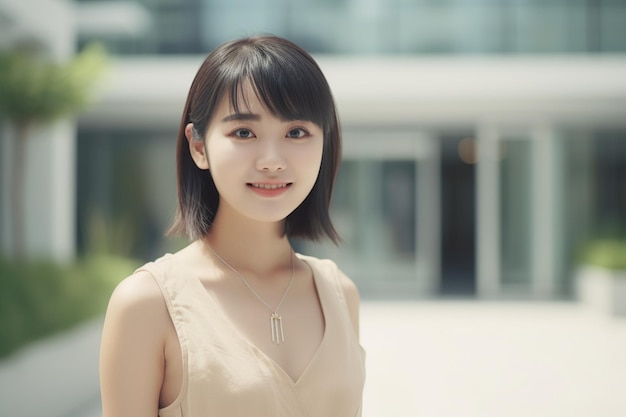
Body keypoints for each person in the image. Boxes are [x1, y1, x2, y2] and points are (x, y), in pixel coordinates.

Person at [99, 35, 366, 417]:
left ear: (325, 143)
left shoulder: (340, 295)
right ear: (199, 147)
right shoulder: (147, 304)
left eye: (296, 132)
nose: (272, 160)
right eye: (244, 132)